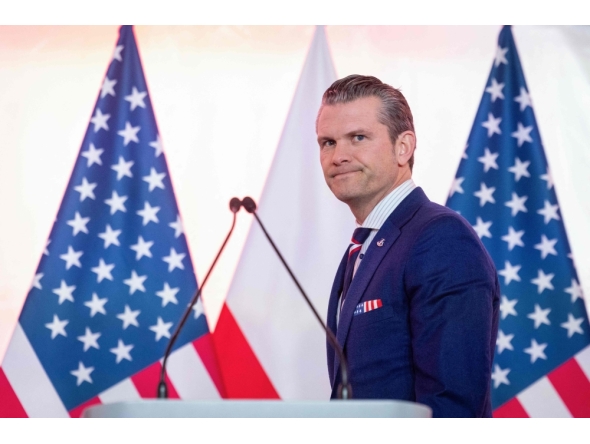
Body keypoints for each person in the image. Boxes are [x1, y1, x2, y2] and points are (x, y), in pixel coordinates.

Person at [316, 74, 500, 418]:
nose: (339, 155)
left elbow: (452, 404)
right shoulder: (364, 246)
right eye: (327, 142)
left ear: (404, 147)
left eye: (358, 137)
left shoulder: (440, 239)